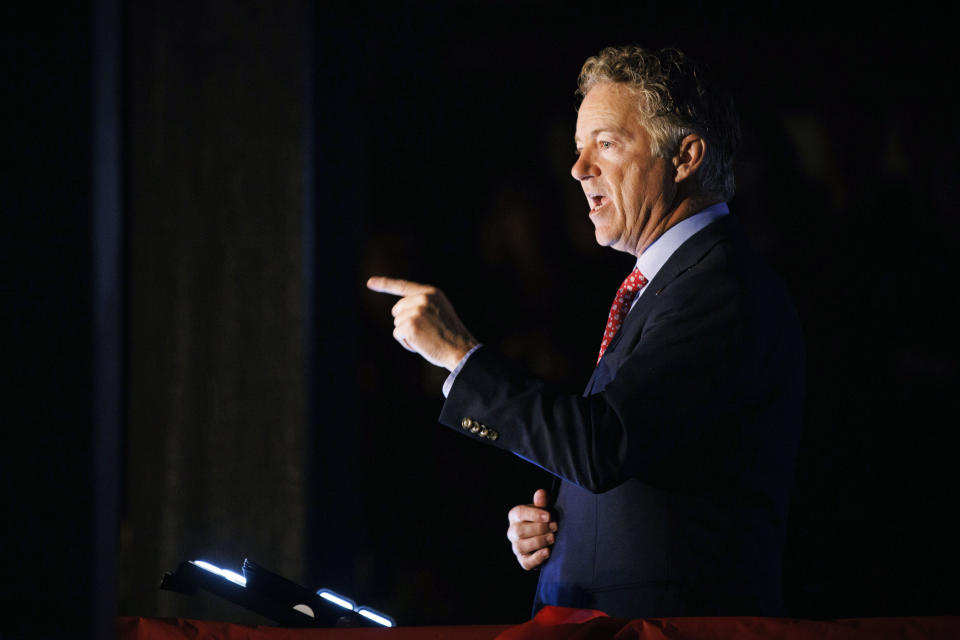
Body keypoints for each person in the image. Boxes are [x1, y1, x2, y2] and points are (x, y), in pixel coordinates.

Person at [367, 45, 804, 618]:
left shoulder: (720, 286)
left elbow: (605, 443)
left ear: (686, 156)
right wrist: (561, 530)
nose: (578, 170)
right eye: (577, 150)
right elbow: (634, 457)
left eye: (606, 144)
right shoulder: (667, 281)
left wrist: (459, 354)